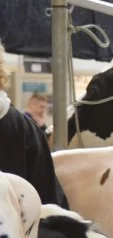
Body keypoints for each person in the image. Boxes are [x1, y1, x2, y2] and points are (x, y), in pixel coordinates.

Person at [0, 43, 67, 207]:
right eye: (41, 106)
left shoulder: (28, 129)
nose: (43, 110)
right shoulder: (26, 129)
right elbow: (51, 206)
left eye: (45, 107)